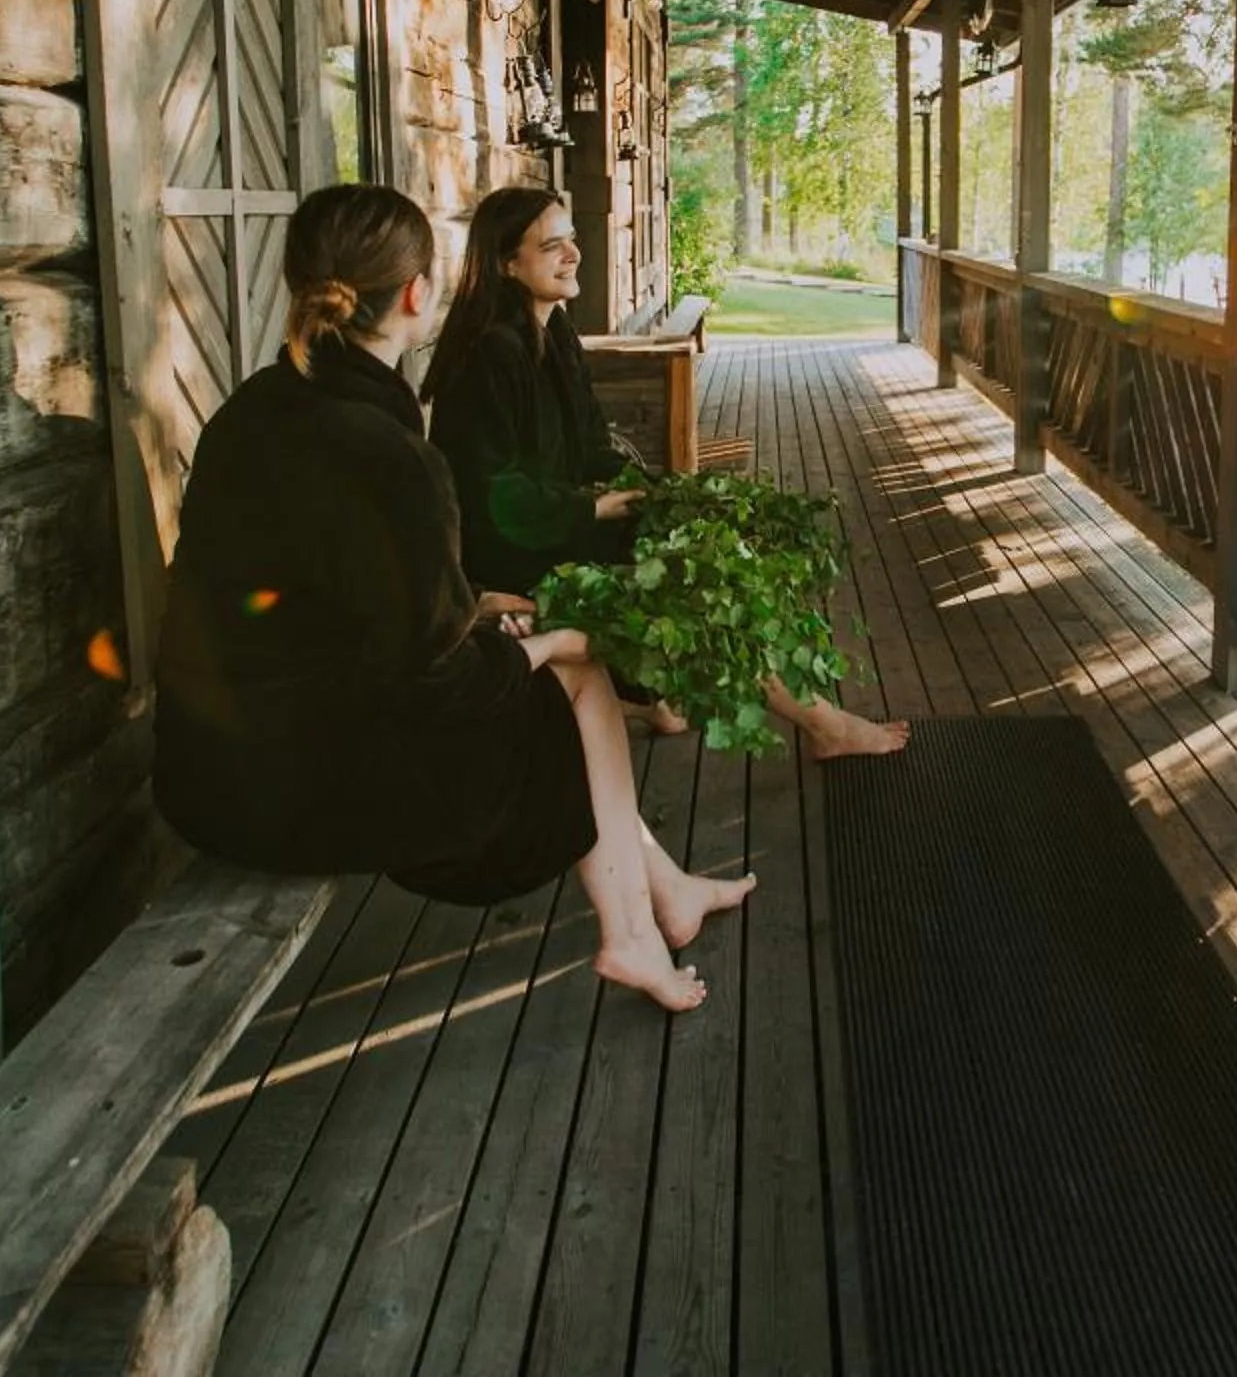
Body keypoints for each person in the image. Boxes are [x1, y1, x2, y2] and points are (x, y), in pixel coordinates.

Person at [153, 182, 744, 1013]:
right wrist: (546, 645)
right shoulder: (393, 455)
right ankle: (633, 937)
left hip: (211, 766)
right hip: (301, 785)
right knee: (577, 678)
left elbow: (337, 598)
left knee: (552, 654)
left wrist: (474, 601)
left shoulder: (254, 408)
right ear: (415, 293)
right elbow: (437, 682)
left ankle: (665, 897)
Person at [420, 187, 908, 761]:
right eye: (552, 245)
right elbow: (488, 496)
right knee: (700, 581)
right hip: (510, 552)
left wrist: (657, 491)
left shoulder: (554, 333)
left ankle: (662, 702)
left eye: (572, 238)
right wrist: (594, 509)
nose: (573, 253)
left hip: (558, 524)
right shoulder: (488, 356)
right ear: (507, 264)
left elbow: (591, 448)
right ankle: (825, 725)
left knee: (709, 541)